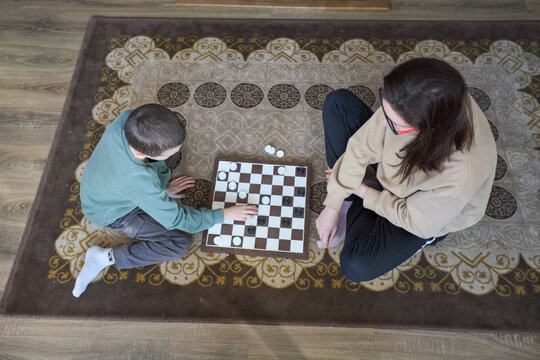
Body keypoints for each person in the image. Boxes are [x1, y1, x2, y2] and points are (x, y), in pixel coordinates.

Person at [316, 57, 497, 283]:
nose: (383, 122)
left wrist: (362, 191)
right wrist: (333, 204)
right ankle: (352, 199)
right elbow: (361, 144)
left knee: (356, 266)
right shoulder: (419, 100)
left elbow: (415, 220)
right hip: (394, 173)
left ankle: (359, 202)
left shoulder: (462, 175)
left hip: (421, 215)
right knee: (338, 103)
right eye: (385, 101)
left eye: (395, 124)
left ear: (429, 129)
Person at [73, 104, 258, 297]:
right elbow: (180, 220)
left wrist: (162, 186)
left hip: (112, 183)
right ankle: (105, 257)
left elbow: (155, 161)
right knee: (178, 244)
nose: (175, 152)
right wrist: (224, 214)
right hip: (113, 212)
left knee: (170, 143)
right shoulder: (140, 181)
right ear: (144, 155)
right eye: (167, 154)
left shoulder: (128, 119)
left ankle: (162, 171)